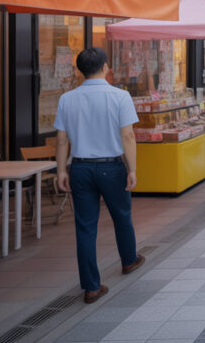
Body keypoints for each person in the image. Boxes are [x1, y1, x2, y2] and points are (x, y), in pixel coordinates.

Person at [52, 48, 145, 304]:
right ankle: (129, 260)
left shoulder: (67, 99)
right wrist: (132, 169)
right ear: (105, 67)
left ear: (80, 70)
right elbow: (128, 136)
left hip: (80, 168)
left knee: (85, 227)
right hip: (111, 166)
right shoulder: (120, 96)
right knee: (122, 216)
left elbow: (61, 139)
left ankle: (91, 287)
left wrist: (61, 171)